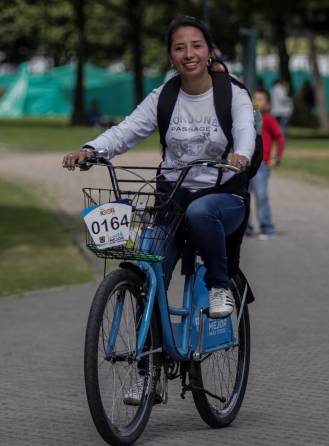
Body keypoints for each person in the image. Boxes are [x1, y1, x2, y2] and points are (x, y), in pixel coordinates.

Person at [62, 16, 256, 320]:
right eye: (180, 48)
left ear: (209, 52)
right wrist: (90, 150)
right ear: (171, 56)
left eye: (196, 46)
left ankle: (219, 285)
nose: (188, 54)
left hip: (223, 198)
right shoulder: (164, 96)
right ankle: (148, 359)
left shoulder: (232, 93)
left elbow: (245, 128)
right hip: (172, 201)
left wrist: (241, 154)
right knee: (147, 275)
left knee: (201, 212)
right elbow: (126, 131)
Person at [246, 89, 285, 240]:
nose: (257, 102)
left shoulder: (268, 119)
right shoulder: (246, 119)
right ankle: (245, 228)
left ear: (267, 103)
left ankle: (267, 226)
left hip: (261, 164)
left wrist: (277, 158)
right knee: (244, 197)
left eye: (261, 99)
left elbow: (280, 138)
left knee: (261, 195)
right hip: (246, 163)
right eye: (254, 99)